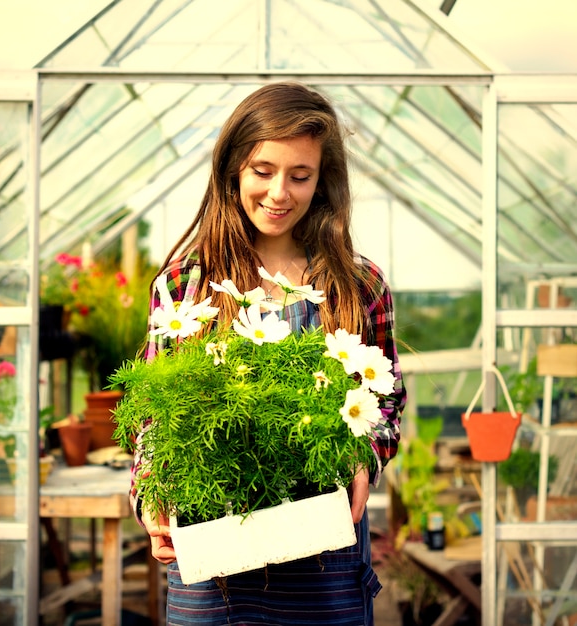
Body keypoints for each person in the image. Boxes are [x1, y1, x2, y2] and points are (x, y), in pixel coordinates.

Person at [131, 81, 406, 625]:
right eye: (263, 171)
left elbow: (388, 401)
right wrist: (150, 495)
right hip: (213, 575)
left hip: (324, 570)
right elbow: (151, 415)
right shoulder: (186, 285)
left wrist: (363, 459)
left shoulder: (357, 284)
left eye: (299, 176)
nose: (280, 192)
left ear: (322, 181)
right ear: (233, 168)